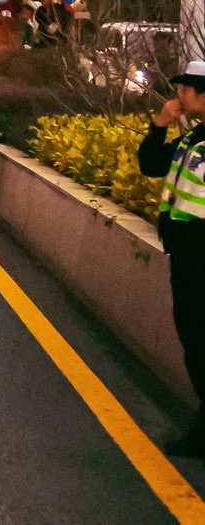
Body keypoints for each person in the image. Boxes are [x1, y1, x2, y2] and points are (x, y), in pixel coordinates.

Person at [138, 65, 205, 457]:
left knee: (198, 337)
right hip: (187, 254)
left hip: (200, 253)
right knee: (193, 335)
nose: (178, 95)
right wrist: (160, 125)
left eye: (184, 89)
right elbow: (150, 166)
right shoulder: (193, 137)